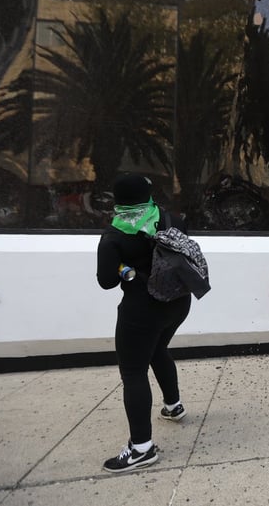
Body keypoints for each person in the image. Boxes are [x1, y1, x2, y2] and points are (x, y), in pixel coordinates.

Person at [96, 174, 191, 473]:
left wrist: (125, 267)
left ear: (118, 201)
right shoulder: (170, 219)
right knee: (158, 348)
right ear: (148, 195)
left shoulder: (114, 236)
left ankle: (141, 449)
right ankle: (173, 406)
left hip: (141, 311)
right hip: (178, 302)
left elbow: (106, 280)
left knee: (134, 372)